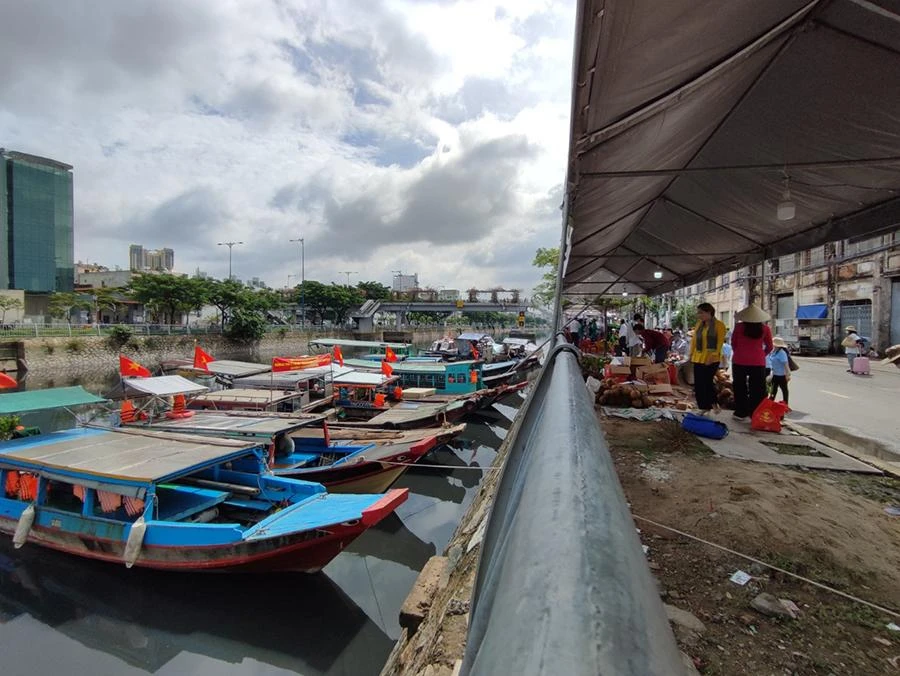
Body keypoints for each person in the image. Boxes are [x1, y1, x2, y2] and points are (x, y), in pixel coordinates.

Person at [730, 303, 773, 419]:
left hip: (739, 361)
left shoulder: (739, 328)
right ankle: (755, 413)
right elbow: (770, 346)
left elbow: (733, 343)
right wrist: (761, 355)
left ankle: (741, 412)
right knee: (757, 389)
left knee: (739, 387)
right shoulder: (765, 329)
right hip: (758, 363)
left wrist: (740, 353)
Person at [689, 303, 728, 413]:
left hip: (711, 358)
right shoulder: (699, 325)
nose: (699, 315)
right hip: (698, 358)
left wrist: (714, 355)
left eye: (701, 312)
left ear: (709, 312)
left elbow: (720, 342)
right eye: (698, 313)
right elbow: (694, 340)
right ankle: (703, 406)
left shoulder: (719, 325)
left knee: (707, 382)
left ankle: (712, 403)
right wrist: (691, 354)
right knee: (698, 384)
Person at [769, 336, 790, 406]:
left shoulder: (782, 353)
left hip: (782, 375)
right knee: (773, 390)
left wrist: (788, 375)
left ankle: (786, 404)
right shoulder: (773, 351)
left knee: (784, 390)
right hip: (774, 375)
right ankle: (770, 403)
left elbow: (786, 365)